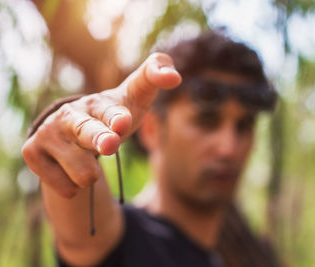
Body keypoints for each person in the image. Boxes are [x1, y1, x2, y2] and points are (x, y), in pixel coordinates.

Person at [22, 31, 278, 267]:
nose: (228, 148)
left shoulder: (242, 255)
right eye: (206, 122)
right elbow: (82, 235)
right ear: (152, 130)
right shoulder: (121, 242)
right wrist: (70, 135)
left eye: (244, 126)